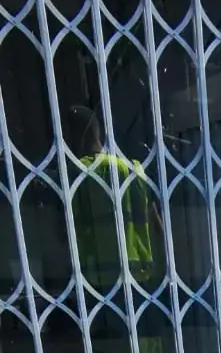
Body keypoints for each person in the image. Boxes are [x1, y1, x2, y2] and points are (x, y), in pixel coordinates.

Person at [67, 105, 160, 295]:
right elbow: (156, 224)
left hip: (99, 280)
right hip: (139, 275)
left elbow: (62, 233)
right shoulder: (133, 168)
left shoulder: (77, 173)